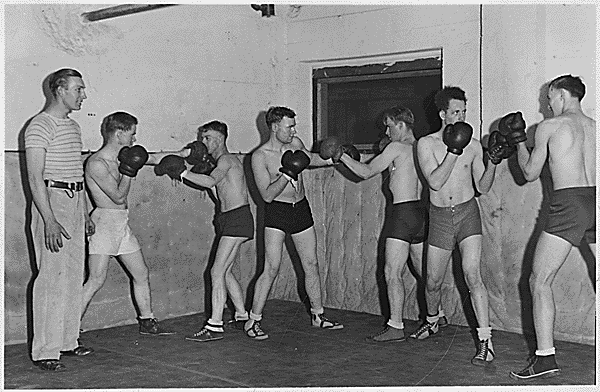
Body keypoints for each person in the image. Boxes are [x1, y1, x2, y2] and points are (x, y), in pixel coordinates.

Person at [412, 86, 507, 366]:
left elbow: (483, 187)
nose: (461, 117)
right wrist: (454, 149)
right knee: (432, 282)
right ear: (442, 114)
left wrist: (493, 163)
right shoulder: (426, 144)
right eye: (455, 112)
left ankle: (486, 341)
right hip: (440, 216)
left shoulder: (475, 145)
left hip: (467, 214)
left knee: (472, 274)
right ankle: (432, 320)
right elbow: (435, 182)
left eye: (464, 112)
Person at [510, 75, 595, 380]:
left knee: (539, 280)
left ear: (561, 95)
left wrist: (520, 142)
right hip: (595, 199)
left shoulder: (551, 126)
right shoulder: (595, 126)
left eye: (549, 98)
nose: (547, 104)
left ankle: (545, 359)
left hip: (569, 203)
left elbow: (530, 172)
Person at [338, 106, 448, 342]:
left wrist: (340, 156)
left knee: (391, 272)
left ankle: (396, 326)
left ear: (400, 125)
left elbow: (366, 172)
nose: (386, 132)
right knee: (424, 273)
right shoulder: (424, 146)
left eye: (389, 126)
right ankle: (437, 314)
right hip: (422, 213)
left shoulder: (396, 147)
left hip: (402, 213)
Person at [81, 111, 187, 337]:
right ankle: (68, 329)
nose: (134, 140)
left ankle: (147, 321)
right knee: (96, 279)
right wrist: (129, 169)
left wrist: (185, 153)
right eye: (131, 135)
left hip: (121, 223)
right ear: (119, 134)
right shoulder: (97, 163)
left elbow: (157, 159)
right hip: (105, 223)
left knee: (141, 273)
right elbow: (118, 196)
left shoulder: (124, 155)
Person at [243, 106, 344, 340]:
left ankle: (318, 315)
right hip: (277, 212)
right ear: (275, 126)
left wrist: (335, 158)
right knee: (272, 267)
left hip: (301, 208)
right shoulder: (260, 156)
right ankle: (253, 321)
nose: (293, 130)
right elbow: (266, 195)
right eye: (289, 126)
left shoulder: (295, 143)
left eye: (293, 126)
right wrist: (287, 173)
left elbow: (310, 160)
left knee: (311, 264)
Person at [157, 120, 254, 342]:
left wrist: (183, 174)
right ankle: (241, 315)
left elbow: (211, 180)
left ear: (219, 138)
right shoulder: (219, 162)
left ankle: (215, 325)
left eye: (207, 138)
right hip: (229, 219)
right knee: (225, 271)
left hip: (237, 219)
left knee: (216, 271)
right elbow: (215, 188)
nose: (204, 142)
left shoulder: (227, 160)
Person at [25, 68, 95, 371]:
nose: (83, 95)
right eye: (77, 89)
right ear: (59, 90)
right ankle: (45, 351)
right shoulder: (39, 125)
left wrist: (84, 211)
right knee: (50, 279)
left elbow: (75, 173)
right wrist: (49, 220)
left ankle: (67, 342)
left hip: (74, 201)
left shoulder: (73, 127)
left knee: (71, 276)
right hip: (50, 204)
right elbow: (34, 177)